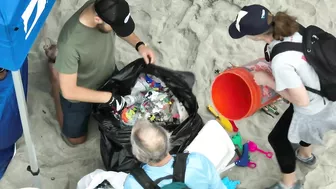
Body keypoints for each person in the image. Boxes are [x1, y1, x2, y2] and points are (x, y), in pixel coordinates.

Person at [228, 4, 336, 189]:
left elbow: (302, 101)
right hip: (327, 90)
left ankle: (289, 184)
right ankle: (305, 155)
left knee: (278, 139)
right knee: (305, 128)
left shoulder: (281, 61)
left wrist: (267, 81)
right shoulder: (292, 27)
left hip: (314, 106)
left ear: (255, 36)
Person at [45, 0, 156, 146]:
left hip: (108, 74)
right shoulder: (70, 43)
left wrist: (139, 45)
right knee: (76, 140)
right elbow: (69, 91)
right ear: (98, 19)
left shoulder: (106, 7)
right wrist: (108, 98)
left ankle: (58, 60)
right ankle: (56, 80)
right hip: (78, 92)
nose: (116, 29)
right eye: (114, 27)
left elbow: (120, 26)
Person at [124, 119, 226, 189]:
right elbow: (217, 186)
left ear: (139, 155)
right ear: (168, 138)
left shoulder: (133, 184)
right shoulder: (196, 162)